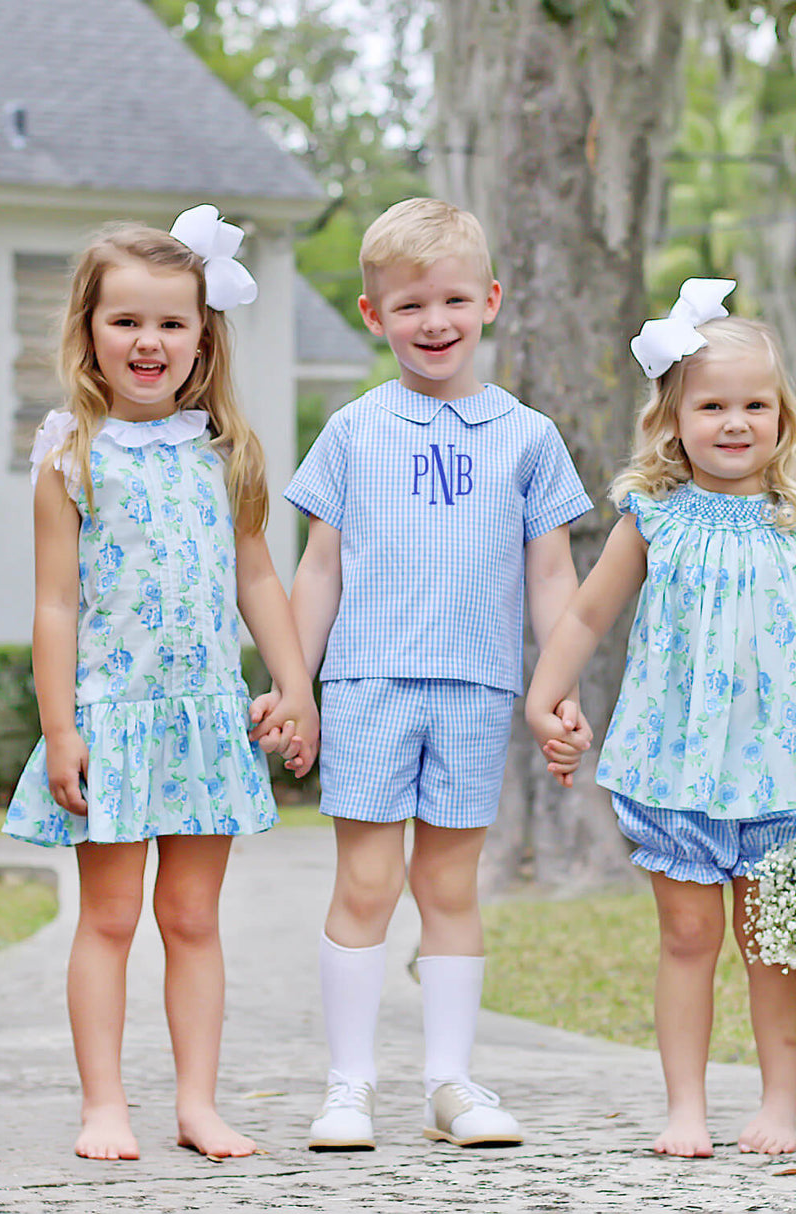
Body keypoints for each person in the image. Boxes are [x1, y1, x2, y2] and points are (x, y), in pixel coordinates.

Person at [525, 279, 796, 1158]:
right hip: (674, 770)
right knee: (688, 938)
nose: (735, 422)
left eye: (754, 405)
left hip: (782, 775)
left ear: (783, 417)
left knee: (773, 947)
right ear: (674, 418)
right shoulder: (651, 520)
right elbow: (585, 616)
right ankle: (684, 1108)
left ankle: (779, 1107)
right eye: (713, 405)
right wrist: (545, 695)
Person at [3, 206, 318, 1162]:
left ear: (202, 338)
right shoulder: (71, 457)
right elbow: (54, 605)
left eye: (172, 323)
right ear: (90, 331)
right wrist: (62, 728)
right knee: (108, 919)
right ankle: (104, 1105)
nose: (150, 341)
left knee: (191, 918)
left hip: (205, 723)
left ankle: (197, 1105)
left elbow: (257, 578)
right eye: (127, 320)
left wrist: (294, 685)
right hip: (112, 720)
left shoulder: (224, 453)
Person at [281, 198, 593, 1151]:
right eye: (410, 305)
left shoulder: (529, 437)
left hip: (478, 689)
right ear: (373, 315)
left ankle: (451, 1084)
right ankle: (348, 1087)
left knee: (450, 889)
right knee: (367, 883)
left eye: (454, 299)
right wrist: (295, 685)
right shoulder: (352, 431)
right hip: (368, 686)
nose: (434, 321)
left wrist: (556, 691)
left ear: (490, 300)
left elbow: (553, 576)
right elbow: (319, 569)